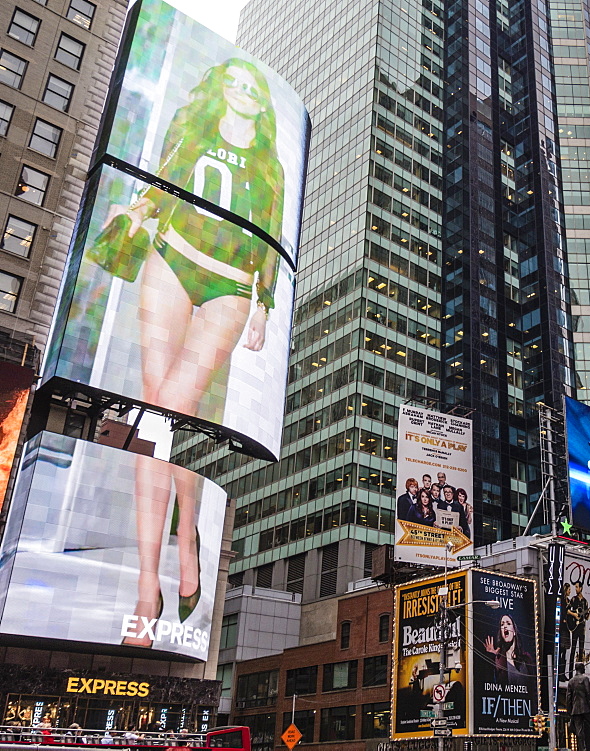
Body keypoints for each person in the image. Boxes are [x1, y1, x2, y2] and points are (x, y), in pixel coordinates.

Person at [117, 58, 285, 646]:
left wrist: (262, 304)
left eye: (250, 87)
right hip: (170, 259)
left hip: (228, 288)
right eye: (231, 82)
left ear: (263, 104)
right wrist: (133, 213)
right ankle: (147, 584)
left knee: (169, 408)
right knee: (156, 416)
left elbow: (268, 240)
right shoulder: (191, 129)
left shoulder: (270, 167)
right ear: (219, 89)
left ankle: (186, 532)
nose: (240, 91)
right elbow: (160, 187)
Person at [484, 614, 531, 684]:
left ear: (514, 631)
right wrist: (491, 656)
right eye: (502, 625)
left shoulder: (526, 658)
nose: (505, 626)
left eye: (508, 623)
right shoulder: (498, 659)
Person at [567, 662, 590, 751]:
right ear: (581, 668)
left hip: (576, 710)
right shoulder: (585, 679)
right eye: (584, 667)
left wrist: (570, 712)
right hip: (585, 708)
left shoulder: (571, 681)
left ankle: (582, 749)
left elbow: (568, 699)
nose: (585, 669)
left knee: (579, 732)